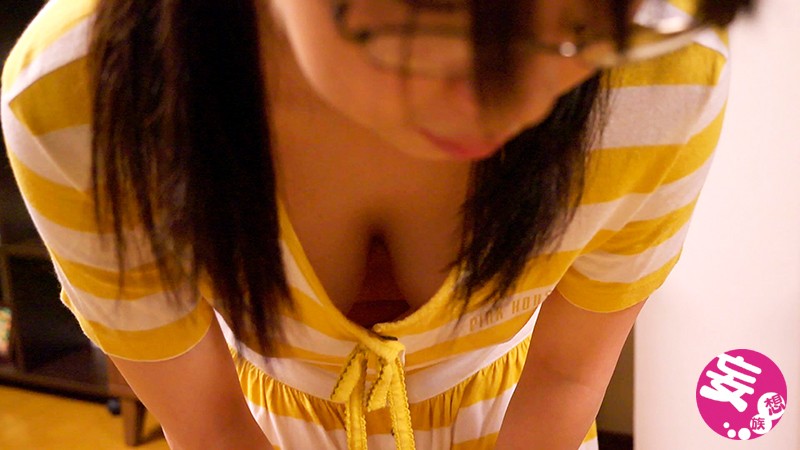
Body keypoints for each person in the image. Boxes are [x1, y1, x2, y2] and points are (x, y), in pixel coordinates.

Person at [1, 0, 754, 448]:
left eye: (582, 24)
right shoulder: (87, 99)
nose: (518, 101)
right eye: (439, 16)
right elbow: (211, 425)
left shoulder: (661, 63)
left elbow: (565, 370)